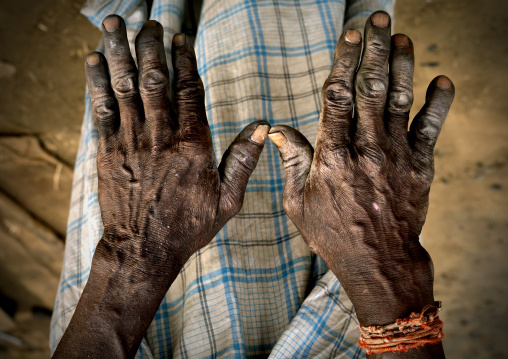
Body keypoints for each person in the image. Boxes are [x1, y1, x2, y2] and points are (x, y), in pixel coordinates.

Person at [50, 0, 454, 358]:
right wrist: (385, 261)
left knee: (145, 137)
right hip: (355, 287)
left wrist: (135, 251)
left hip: (137, 311)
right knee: (302, 59)